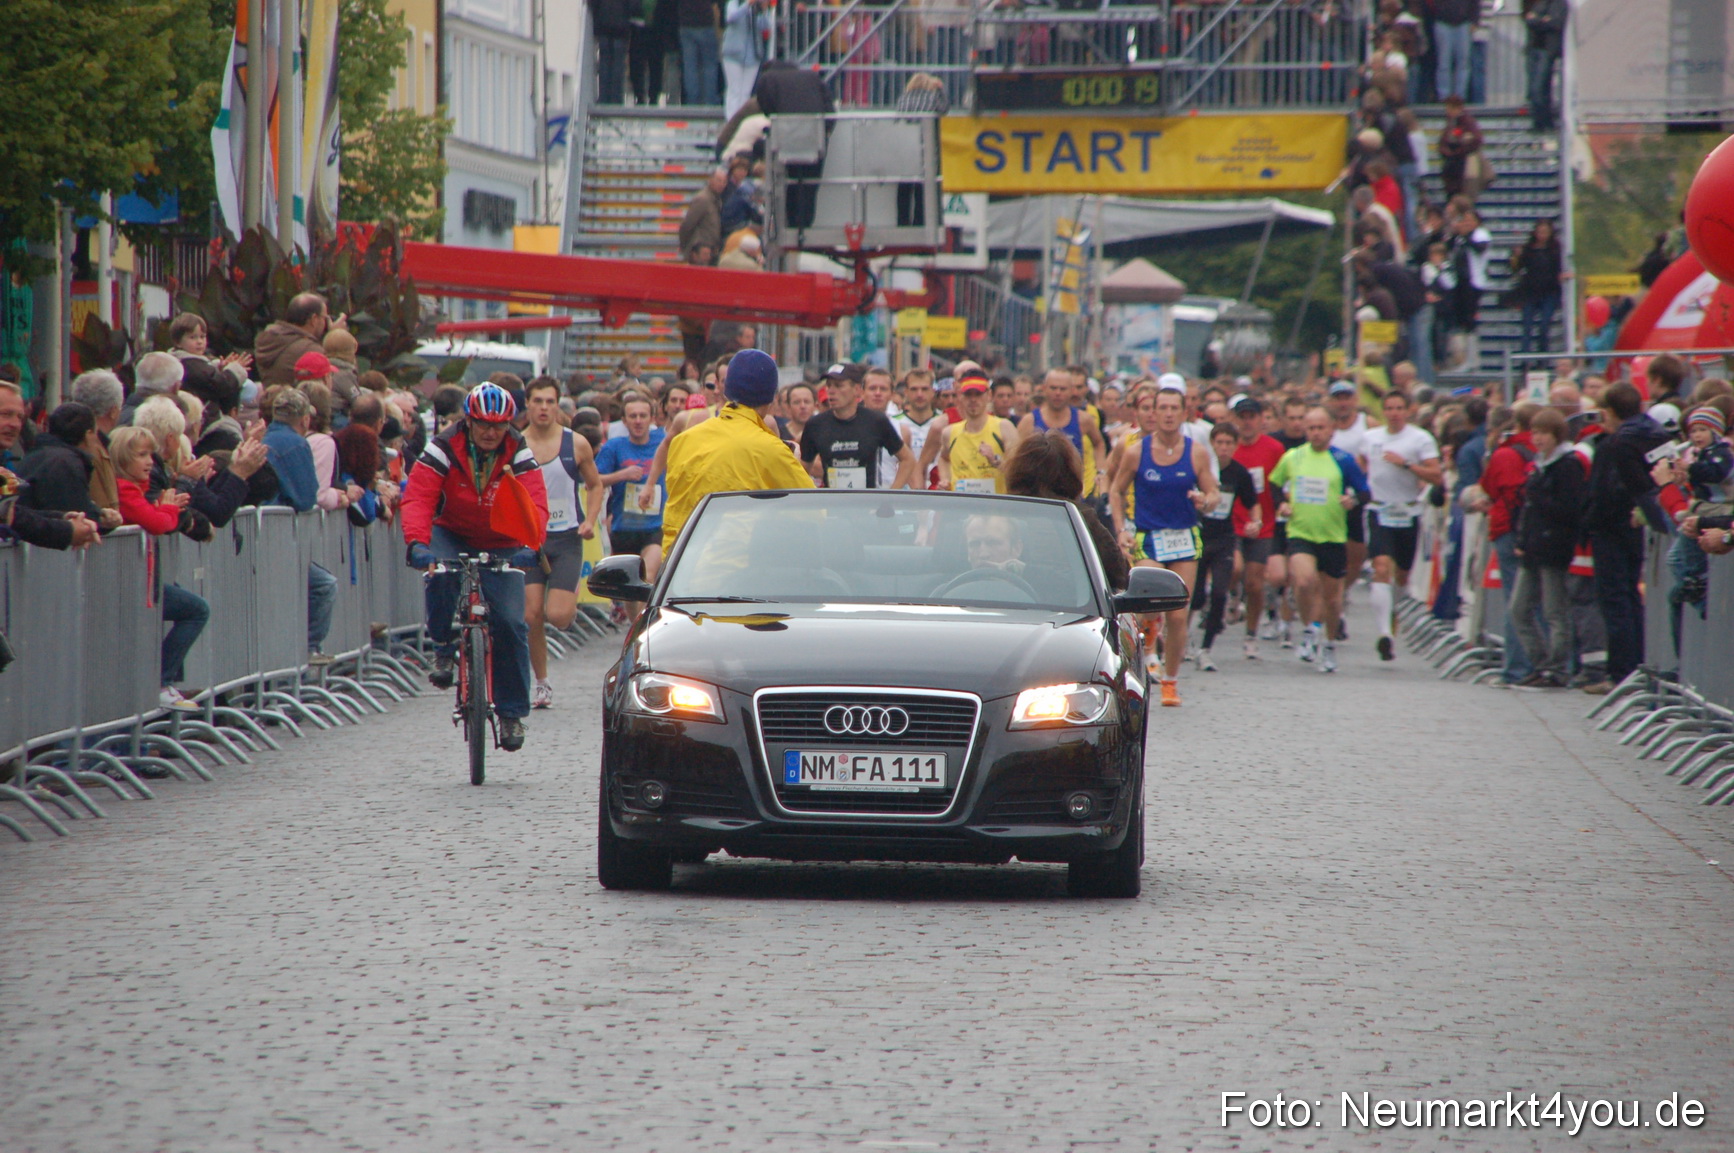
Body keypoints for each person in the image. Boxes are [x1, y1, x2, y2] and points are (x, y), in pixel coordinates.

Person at [402, 384, 550, 752]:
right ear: (468, 420)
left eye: (498, 426)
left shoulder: (518, 450)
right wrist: (417, 543)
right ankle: (442, 643)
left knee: (513, 623)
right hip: (451, 531)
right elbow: (419, 496)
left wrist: (532, 545)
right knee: (439, 573)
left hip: (503, 539)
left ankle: (512, 713)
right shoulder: (443, 447)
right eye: (482, 424)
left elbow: (535, 501)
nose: (490, 432)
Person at [1106, 386, 1218, 707]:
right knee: (1147, 604)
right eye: (1162, 408)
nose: (1168, 414)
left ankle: (1170, 681)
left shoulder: (1196, 452)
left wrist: (1204, 501)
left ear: (1184, 413)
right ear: (1153, 412)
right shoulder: (1136, 452)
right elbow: (1116, 491)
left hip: (1184, 537)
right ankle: (1150, 627)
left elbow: (1212, 494)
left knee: (1179, 615)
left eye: (1174, 408)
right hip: (1149, 536)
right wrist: (1120, 529)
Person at [661, 349, 814, 552]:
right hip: (737, 570)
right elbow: (811, 512)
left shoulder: (683, 440)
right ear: (772, 397)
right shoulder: (772, 449)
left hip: (679, 568)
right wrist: (791, 460)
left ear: (726, 390)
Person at [519, 377, 605, 707]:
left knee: (557, 615)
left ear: (558, 405)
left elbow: (594, 485)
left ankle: (567, 612)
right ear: (528, 404)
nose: (543, 407)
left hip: (567, 537)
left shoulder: (576, 443)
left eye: (549, 401)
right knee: (531, 615)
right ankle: (541, 683)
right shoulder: (515, 444)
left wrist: (589, 520)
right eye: (537, 401)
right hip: (529, 540)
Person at [109, 425, 208, 711]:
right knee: (195, 610)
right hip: (131, 582)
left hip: (143, 580)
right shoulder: (125, 489)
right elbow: (157, 523)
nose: (150, 461)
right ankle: (161, 682)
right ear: (123, 458)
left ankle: (163, 683)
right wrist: (168, 508)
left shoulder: (136, 489)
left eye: (151, 454)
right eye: (141, 454)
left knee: (195, 609)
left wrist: (166, 508)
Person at [1579, 383, 1670, 693]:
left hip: (1612, 528)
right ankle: (1636, 665)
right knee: (1632, 598)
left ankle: (1621, 673)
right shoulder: (1656, 435)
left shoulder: (1615, 444)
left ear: (1610, 412)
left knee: (1616, 599)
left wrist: (1591, 520)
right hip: (1637, 526)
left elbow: (1606, 490)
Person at [1269, 408, 1370, 674]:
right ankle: (1310, 630)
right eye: (1311, 428)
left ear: (1331, 429)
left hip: (1334, 536)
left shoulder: (1343, 460)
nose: (1315, 432)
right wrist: (1282, 504)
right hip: (1300, 532)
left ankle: (1328, 644)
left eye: (1320, 427)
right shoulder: (1293, 457)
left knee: (1332, 599)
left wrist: (1353, 500)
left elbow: (1364, 491)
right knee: (1303, 581)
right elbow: (1274, 484)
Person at [262, 388, 341, 665]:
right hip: (278, 540)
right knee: (323, 585)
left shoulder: (265, 438)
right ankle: (307, 650)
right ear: (305, 419)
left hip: (261, 536)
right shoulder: (295, 444)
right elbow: (306, 497)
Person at [1509, 407, 1586, 687]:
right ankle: (1540, 663)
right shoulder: (1540, 465)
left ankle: (1558, 668)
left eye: (1543, 433)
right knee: (1519, 609)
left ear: (1556, 435)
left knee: (1555, 610)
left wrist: (1539, 497)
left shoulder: (1567, 464)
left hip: (1554, 546)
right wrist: (1521, 539)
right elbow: (1529, 510)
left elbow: (1569, 509)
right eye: (1535, 433)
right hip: (1533, 546)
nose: (1537, 439)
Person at [1362, 391, 1442, 659]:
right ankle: (1385, 633)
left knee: (1402, 577)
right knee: (1381, 566)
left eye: (1399, 408)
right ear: (1383, 411)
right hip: (1379, 510)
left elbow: (1436, 476)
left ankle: (1391, 615)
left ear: (1407, 411)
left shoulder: (1420, 439)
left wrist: (1407, 464)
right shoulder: (1370, 438)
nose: (1394, 413)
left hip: (1408, 512)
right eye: (1389, 408)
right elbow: (1361, 463)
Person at [1002, 431, 1126, 591]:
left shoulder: (1000, 515)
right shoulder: (1079, 517)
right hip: (1072, 609)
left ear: (1016, 470)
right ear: (1070, 473)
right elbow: (1120, 575)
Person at [1481, 402, 1541, 684]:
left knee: (1515, 601)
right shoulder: (1547, 452)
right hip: (1540, 533)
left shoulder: (1505, 453)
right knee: (1541, 602)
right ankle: (1543, 663)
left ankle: (1517, 666)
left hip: (1509, 530)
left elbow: (1492, 487)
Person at [1193, 423, 1260, 672]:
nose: (1223, 448)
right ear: (1211, 444)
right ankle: (1181, 638)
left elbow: (1252, 503)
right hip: (1199, 537)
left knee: (1220, 593)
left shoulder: (1240, 473)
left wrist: (1256, 521)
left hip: (1224, 539)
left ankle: (1206, 649)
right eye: (1219, 443)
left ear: (1235, 446)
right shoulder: (1200, 469)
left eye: (1228, 443)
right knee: (1196, 596)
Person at [1229, 394, 1289, 657]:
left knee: (1255, 583)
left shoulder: (1274, 449)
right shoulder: (1229, 447)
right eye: (1242, 418)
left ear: (1260, 419)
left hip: (1262, 523)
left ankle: (1251, 633)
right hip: (1231, 520)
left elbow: (1282, 483)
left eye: (1251, 417)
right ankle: (1232, 596)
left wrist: (1283, 504)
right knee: (1234, 567)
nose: (1247, 423)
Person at [595, 391, 666, 612]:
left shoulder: (662, 443)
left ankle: (645, 628)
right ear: (624, 421)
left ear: (652, 418)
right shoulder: (614, 447)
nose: (638, 421)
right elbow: (594, 479)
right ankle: (635, 632)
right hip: (623, 528)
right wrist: (622, 475)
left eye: (643, 416)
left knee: (648, 576)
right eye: (632, 416)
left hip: (654, 526)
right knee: (629, 590)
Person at [801, 365, 916, 489]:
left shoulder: (875, 421)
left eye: (839, 385)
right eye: (829, 385)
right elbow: (801, 470)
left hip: (869, 504)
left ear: (856, 389)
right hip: (833, 505)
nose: (831, 391)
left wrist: (891, 495)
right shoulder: (816, 425)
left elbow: (907, 460)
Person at [1018, 368, 1107, 503]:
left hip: (1072, 495)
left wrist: (1100, 472)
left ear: (1071, 390)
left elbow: (1099, 443)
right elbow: (1016, 457)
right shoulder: (1029, 421)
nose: (1058, 393)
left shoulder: (1083, 420)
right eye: (1053, 388)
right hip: (1037, 495)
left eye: (1063, 389)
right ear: (1044, 389)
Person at [935, 372, 1017, 493]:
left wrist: (995, 460)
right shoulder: (950, 433)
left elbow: (1019, 470)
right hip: (962, 509)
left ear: (989, 395)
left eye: (978, 394)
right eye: (968, 395)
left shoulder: (1004, 428)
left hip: (995, 509)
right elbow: (943, 458)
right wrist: (946, 480)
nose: (973, 400)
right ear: (960, 397)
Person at [255, 293, 343, 386]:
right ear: (314, 319)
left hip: (273, 398)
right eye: (325, 318)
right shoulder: (309, 349)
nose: (326, 323)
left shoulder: (272, 339)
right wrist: (336, 337)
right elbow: (340, 380)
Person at [1510, 220, 1564, 354]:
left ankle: (1542, 359)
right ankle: (1525, 361)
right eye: (1540, 232)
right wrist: (1516, 257)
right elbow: (1517, 268)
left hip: (1549, 291)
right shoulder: (1529, 249)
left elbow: (1560, 267)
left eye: (1545, 232)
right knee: (1527, 326)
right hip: (1530, 291)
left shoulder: (1555, 249)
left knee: (1544, 326)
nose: (1542, 235)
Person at [720, 0, 772, 117]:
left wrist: (763, 10)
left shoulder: (758, 7)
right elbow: (731, 18)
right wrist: (747, 4)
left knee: (746, 92)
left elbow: (765, 26)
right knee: (734, 90)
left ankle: (741, 121)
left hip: (753, 55)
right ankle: (731, 120)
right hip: (733, 53)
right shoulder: (734, 3)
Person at [1523, 0, 1566, 132]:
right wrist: (1544, 20)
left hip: (1546, 51)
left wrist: (1537, 20)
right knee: (1534, 90)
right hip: (1533, 49)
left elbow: (1556, 23)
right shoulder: (1540, 3)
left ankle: (1545, 122)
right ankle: (1538, 123)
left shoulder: (1560, 4)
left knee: (1540, 88)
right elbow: (1529, 20)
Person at [678, 169, 727, 264]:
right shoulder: (702, 199)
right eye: (719, 180)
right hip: (699, 250)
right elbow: (687, 225)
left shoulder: (717, 200)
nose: (721, 184)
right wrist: (686, 247)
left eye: (724, 182)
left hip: (711, 250)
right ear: (711, 180)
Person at [677, 0, 719, 106]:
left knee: (689, 67)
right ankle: (710, 101)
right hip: (706, 23)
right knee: (709, 66)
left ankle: (692, 102)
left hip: (686, 24)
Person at [594, 0, 633, 104]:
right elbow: (634, 5)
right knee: (618, 64)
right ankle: (616, 98)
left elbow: (592, 3)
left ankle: (603, 97)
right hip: (621, 26)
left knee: (604, 63)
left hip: (603, 24)